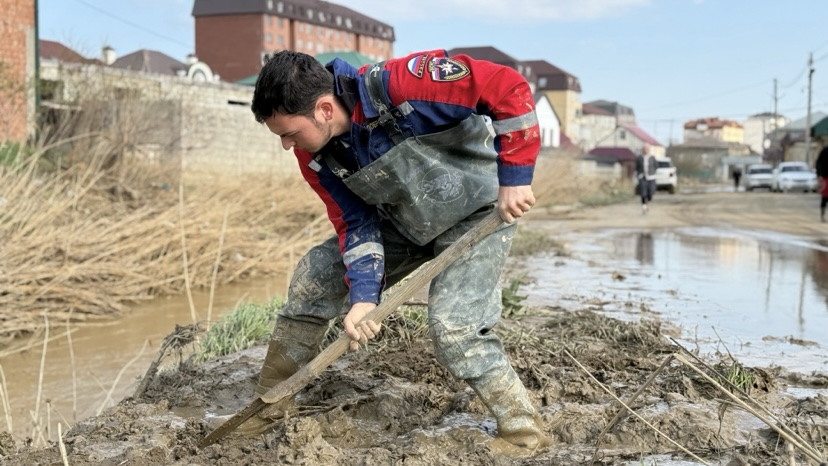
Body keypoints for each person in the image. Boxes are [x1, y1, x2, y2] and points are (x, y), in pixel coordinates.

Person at [236, 50, 550, 449]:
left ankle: (524, 433)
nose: (285, 145)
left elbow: (507, 87)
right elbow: (356, 222)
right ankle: (269, 407)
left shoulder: (405, 84)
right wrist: (364, 298)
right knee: (314, 276)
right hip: (405, 223)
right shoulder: (315, 156)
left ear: (323, 108)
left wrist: (516, 176)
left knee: (455, 329)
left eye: (289, 133)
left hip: (479, 212)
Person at [635, 144, 657, 214]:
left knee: (650, 192)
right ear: (642, 150)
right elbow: (636, 167)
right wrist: (638, 174)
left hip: (651, 177)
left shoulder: (652, 157)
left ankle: (648, 203)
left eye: (647, 149)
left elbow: (656, 166)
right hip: (642, 177)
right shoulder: (639, 158)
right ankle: (644, 206)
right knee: (643, 193)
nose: (645, 150)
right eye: (644, 149)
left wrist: (653, 172)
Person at [817, 146, 828, 222]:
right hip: (825, 177)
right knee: (825, 197)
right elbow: (819, 163)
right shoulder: (825, 151)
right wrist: (819, 174)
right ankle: (822, 215)